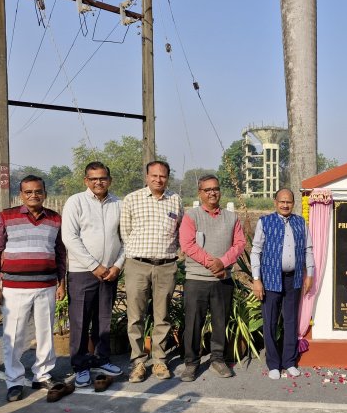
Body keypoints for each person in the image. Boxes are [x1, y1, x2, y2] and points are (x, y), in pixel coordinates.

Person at [0, 175, 67, 402]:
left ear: (45, 193)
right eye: (28, 192)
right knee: (13, 336)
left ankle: (42, 374)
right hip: (14, 288)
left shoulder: (55, 219)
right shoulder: (6, 216)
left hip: (46, 286)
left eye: (38, 191)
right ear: (21, 194)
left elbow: (60, 253)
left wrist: (61, 283)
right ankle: (14, 381)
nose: (34, 195)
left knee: (45, 334)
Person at [62, 162, 125, 388]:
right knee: (80, 320)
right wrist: (93, 265)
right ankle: (80, 365)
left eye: (103, 178)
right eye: (93, 178)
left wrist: (117, 266)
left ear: (110, 179)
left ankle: (101, 359)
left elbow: (127, 238)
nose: (98, 182)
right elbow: (69, 237)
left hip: (110, 272)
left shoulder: (119, 203)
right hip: (82, 272)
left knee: (104, 319)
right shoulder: (75, 202)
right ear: (85, 181)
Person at [178, 175, 246, 381]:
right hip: (197, 278)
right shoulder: (192, 216)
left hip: (222, 279)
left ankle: (217, 358)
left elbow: (240, 244)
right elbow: (187, 245)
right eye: (207, 189)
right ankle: (191, 362)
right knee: (193, 322)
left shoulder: (231, 217)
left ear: (220, 191)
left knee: (220, 320)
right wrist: (212, 263)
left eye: (215, 188)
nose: (212, 193)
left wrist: (223, 263)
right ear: (200, 193)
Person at [121, 161, 183, 382]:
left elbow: (179, 232)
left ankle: (159, 360)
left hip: (166, 266)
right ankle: (138, 362)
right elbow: (125, 232)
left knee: (162, 316)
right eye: (154, 175)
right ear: (146, 176)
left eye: (163, 176)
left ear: (168, 177)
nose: (159, 179)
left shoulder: (175, 200)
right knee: (135, 316)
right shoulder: (132, 199)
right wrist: (137, 255)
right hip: (138, 264)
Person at [250, 189, 314, 380]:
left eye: (289, 202)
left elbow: (308, 249)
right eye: (282, 201)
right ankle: (273, 364)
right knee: (270, 321)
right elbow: (255, 251)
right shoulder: (265, 222)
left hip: (293, 279)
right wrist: (256, 279)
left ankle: (289, 361)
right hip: (270, 279)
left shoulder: (300, 222)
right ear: (275, 202)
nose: (285, 205)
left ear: (293, 203)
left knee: (291, 321)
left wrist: (309, 274)